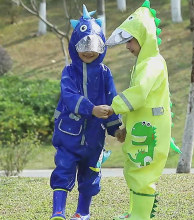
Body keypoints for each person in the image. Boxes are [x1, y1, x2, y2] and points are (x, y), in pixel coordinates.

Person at [50, 5, 122, 220]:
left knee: (91, 173)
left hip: (94, 136)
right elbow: (69, 96)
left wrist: (115, 127)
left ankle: (82, 212)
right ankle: (58, 212)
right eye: (83, 44)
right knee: (63, 169)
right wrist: (91, 108)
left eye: (94, 44)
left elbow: (111, 99)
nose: (89, 50)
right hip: (68, 134)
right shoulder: (68, 71)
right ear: (74, 45)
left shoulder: (104, 72)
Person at [106, 0, 172, 219]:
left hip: (149, 131)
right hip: (142, 128)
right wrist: (125, 125)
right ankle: (135, 212)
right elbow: (140, 100)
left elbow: (140, 93)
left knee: (142, 173)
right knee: (134, 170)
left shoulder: (151, 63)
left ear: (144, 36)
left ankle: (141, 216)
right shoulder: (144, 62)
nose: (127, 46)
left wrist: (114, 107)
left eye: (130, 40)